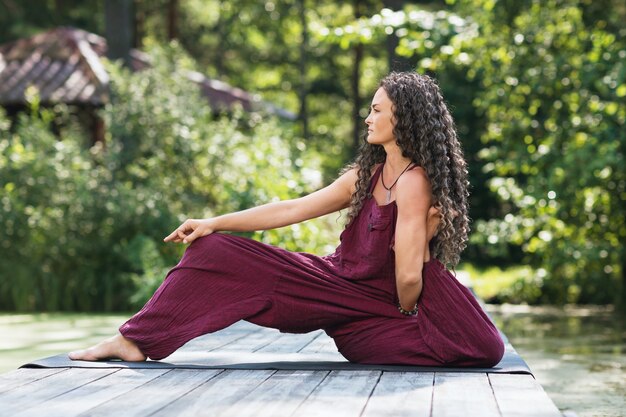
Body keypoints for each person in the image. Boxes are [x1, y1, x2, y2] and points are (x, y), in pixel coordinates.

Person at [69, 72, 504, 367]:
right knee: (211, 247)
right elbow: (292, 209)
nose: (367, 117)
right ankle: (134, 340)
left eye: (376, 109)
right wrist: (215, 222)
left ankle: (383, 332)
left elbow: (409, 277)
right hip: (331, 285)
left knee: (481, 347)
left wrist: (405, 308)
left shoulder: (414, 181)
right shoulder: (367, 175)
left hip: (370, 313)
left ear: (403, 117)